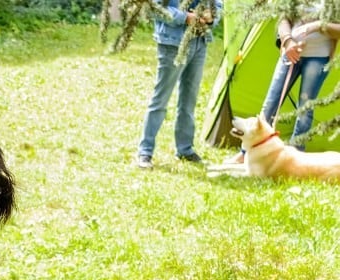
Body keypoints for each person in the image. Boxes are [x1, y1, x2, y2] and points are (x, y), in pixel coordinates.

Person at [227, 5, 338, 163]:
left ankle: (296, 154)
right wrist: (288, 41)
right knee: (271, 103)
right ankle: (246, 152)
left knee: (305, 108)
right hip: (290, 54)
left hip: (319, 57)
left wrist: (318, 26)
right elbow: (283, 18)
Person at [136, 0, 223, 169]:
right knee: (161, 99)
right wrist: (185, 18)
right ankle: (145, 152)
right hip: (172, 44)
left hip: (200, 42)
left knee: (189, 100)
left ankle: (185, 149)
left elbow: (218, 5)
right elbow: (154, 8)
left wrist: (212, 16)